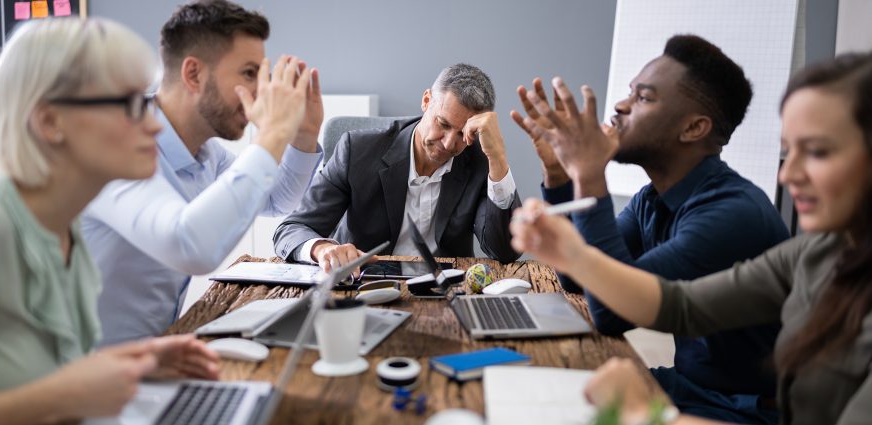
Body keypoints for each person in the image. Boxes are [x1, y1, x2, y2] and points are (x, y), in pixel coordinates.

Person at [512, 52, 872, 425]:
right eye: (789, 150)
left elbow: (610, 313)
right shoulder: (815, 251)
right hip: (691, 390)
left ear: (694, 128)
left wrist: (645, 415)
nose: (788, 174)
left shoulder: (735, 214)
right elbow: (674, 304)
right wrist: (562, 199)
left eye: (816, 151)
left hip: (736, 409)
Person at [0, 18, 219, 423]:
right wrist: (63, 398)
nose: (155, 124)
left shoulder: (66, 231)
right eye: (130, 106)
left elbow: (38, 370)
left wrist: (135, 361)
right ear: (50, 121)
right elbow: (56, 394)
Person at [81, 0, 324, 345]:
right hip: (81, 376)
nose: (261, 90)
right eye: (249, 73)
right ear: (193, 74)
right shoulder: (116, 146)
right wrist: (272, 135)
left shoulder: (207, 151)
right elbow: (189, 247)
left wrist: (302, 137)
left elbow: (278, 200)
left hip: (153, 355)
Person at [273, 63, 521, 271]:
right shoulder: (356, 151)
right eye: (443, 124)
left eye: (462, 134)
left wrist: (498, 159)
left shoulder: (478, 161)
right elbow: (292, 229)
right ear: (426, 101)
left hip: (443, 292)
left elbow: (505, 251)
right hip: (363, 285)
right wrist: (322, 249)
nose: (448, 143)